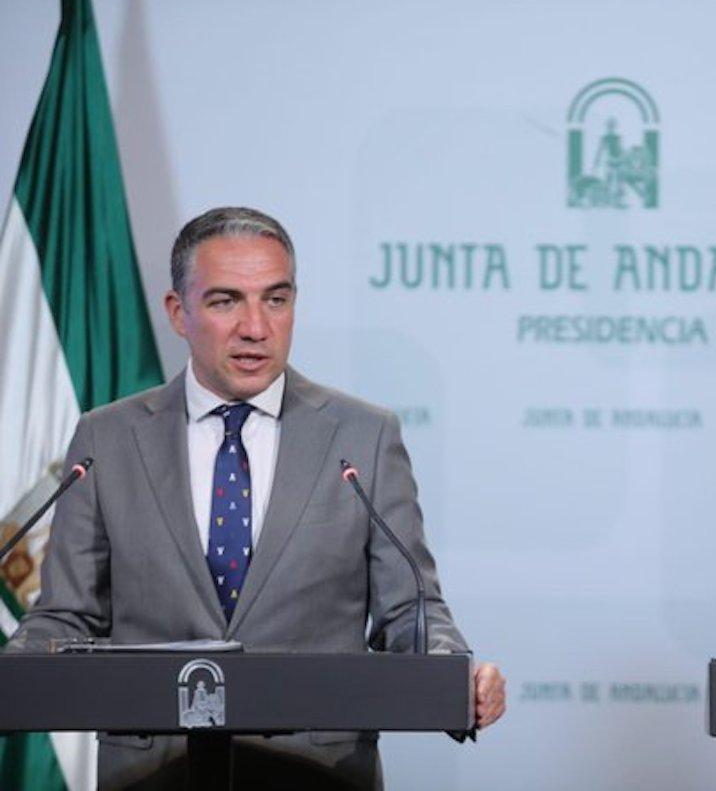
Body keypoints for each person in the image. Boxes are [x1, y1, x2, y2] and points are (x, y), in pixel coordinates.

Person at [7, 206, 506, 789]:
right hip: (152, 774)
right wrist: (14, 673)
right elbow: (67, 614)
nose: (255, 327)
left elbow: (410, 609)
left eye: (276, 299)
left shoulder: (363, 436)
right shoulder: (107, 438)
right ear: (178, 312)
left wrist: (453, 674)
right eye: (225, 301)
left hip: (316, 772)